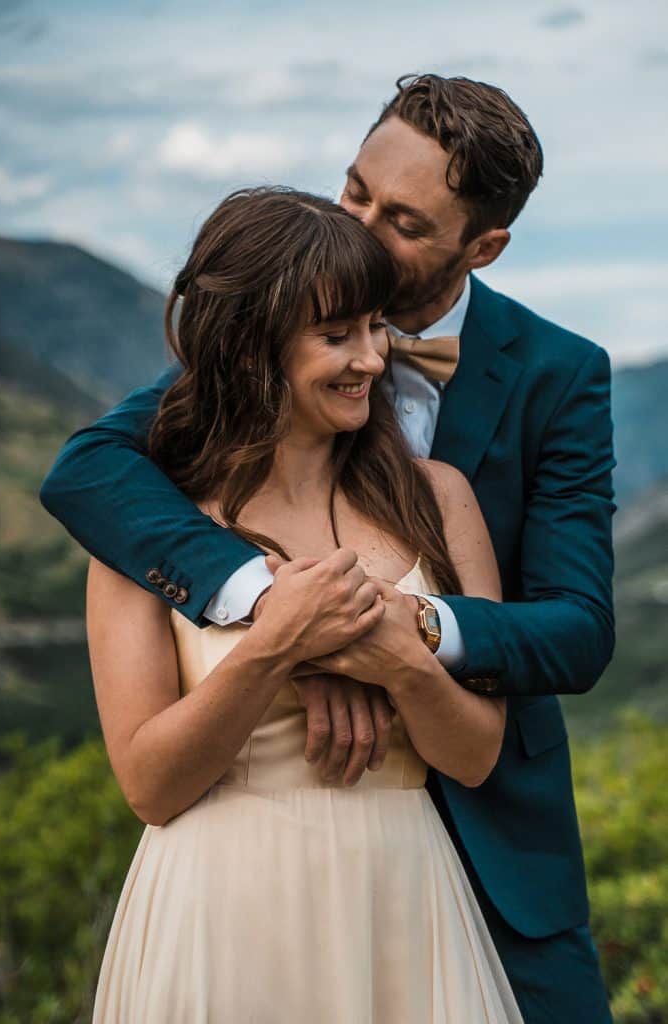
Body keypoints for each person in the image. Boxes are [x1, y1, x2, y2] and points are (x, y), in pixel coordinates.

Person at [41, 75, 615, 1022]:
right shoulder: (275, 330)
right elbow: (87, 472)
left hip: (491, 858)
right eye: (355, 191)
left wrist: (405, 634)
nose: (358, 223)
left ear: (482, 247)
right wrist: (276, 610)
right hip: (255, 878)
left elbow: (577, 628)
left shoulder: (558, 375)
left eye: (402, 220)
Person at [84, 186, 522, 1022]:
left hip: (402, 899)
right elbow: (148, 785)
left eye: (374, 328)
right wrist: (274, 647)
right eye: (335, 335)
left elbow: (473, 755)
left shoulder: (438, 500)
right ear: (251, 349)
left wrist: (395, 661)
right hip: (220, 911)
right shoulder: (150, 524)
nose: (370, 359)